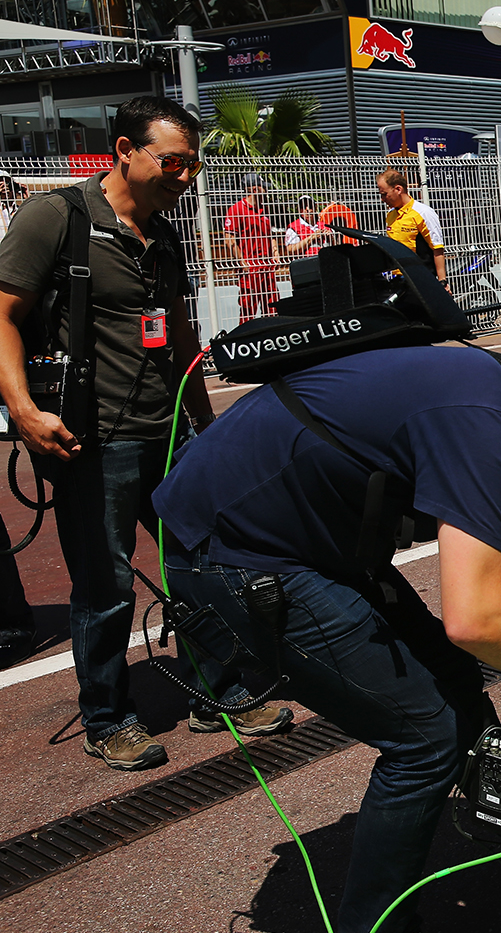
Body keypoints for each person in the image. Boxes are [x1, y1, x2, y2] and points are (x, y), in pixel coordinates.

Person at [153, 348, 501, 933]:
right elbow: (476, 621)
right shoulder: (483, 424)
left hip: (314, 546)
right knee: (426, 738)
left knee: (456, 689)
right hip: (235, 554)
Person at [0, 96, 290, 772]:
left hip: (172, 439)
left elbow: (181, 336)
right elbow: (4, 314)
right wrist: (23, 410)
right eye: (172, 162)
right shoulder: (58, 218)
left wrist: (206, 430)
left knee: (205, 566)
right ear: (123, 152)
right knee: (104, 590)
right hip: (91, 441)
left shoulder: (163, 234)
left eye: (192, 165)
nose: (184, 177)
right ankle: (108, 718)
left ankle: (217, 693)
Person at [224, 172, 279, 322]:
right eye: (263, 187)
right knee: (248, 310)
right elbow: (229, 240)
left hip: (267, 268)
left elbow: (272, 234)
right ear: (254, 189)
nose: (266, 191)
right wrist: (243, 263)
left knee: (273, 308)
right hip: (250, 269)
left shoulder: (265, 209)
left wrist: (275, 254)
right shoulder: (236, 210)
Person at [377, 168, 447, 286]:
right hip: (399, 279)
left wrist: (442, 281)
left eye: (384, 194)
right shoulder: (391, 215)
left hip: (421, 278)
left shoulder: (423, 213)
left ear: (398, 189)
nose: (382, 199)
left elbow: (437, 249)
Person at [283, 194, 328, 258]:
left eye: (310, 206)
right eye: (303, 207)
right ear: (299, 210)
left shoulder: (324, 225)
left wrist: (330, 237)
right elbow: (290, 250)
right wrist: (311, 238)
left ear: (315, 208)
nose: (307, 209)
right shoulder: (293, 227)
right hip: (306, 262)